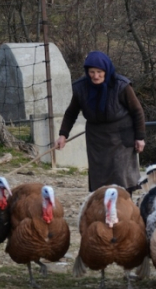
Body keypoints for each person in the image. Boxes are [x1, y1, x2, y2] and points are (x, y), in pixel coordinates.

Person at [56, 51, 146, 193]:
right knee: (99, 175)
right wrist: (63, 135)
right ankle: (101, 206)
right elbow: (71, 113)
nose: (95, 76)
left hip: (121, 136)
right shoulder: (81, 88)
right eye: (92, 72)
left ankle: (124, 206)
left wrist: (140, 137)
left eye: (99, 72)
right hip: (96, 138)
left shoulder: (121, 86)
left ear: (106, 70)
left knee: (120, 174)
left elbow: (137, 111)